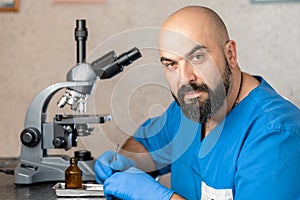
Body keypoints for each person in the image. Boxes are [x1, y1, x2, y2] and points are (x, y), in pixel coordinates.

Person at [94, 5, 300, 200]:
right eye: (171, 64)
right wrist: (127, 163)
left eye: (198, 57)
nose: (185, 78)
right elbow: (146, 146)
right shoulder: (191, 108)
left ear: (231, 54)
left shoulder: (276, 136)